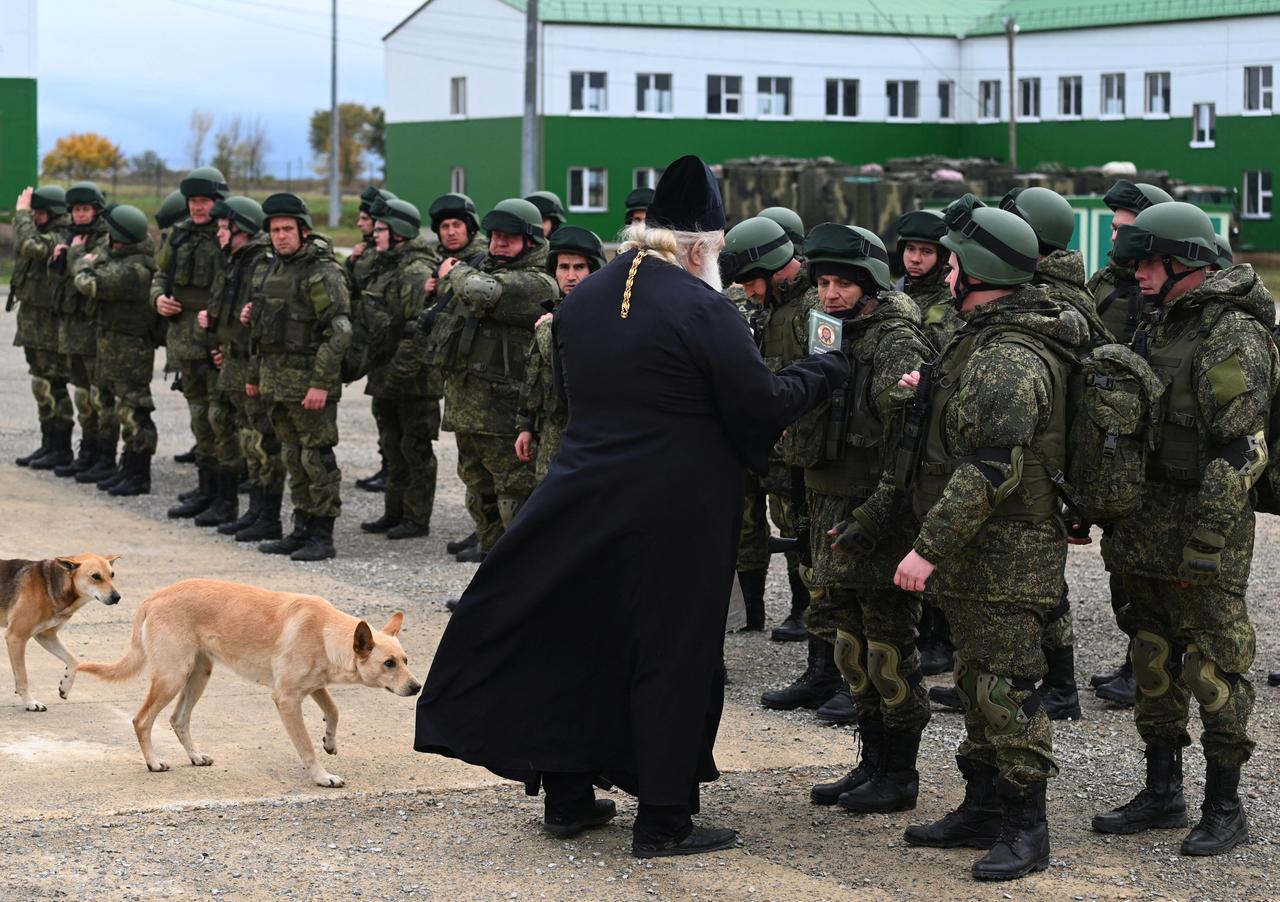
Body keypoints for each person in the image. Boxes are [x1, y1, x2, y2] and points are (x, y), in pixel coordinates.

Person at [414, 154, 847, 857]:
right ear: (703, 245)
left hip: (580, 496)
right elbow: (758, 406)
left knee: (579, 641)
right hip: (674, 514)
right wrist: (822, 368)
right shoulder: (705, 306)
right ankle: (665, 820)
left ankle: (568, 796)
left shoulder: (587, 296)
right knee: (674, 656)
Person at [885, 204, 1086, 881]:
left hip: (1008, 549)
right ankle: (983, 806)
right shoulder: (981, 338)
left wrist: (928, 548)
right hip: (984, 546)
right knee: (976, 678)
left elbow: (992, 467)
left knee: (1005, 686)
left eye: (951, 263)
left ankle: (1028, 828)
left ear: (977, 272)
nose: (942, 273)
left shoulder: (1007, 354)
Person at [1093, 202, 1278, 856]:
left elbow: (1242, 448)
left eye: (1149, 262)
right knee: (1151, 656)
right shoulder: (1154, 324)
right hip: (1143, 526)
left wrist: (1206, 540)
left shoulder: (1231, 334)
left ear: (1187, 263)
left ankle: (1225, 806)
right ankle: (1162, 791)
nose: (1137, 273)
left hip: (1203, 533)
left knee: (1213, 665)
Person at [793, 222, 934, 814]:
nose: (829, 294)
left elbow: (906, 445)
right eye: (823, 282)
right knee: (849, 642)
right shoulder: (829, 331)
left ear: (869, 284)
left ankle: (898, 772)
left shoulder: (896, 339)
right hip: (830, 501)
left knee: (888, 645)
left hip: (876, 514)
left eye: (842, 284)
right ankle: (871, 760)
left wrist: (876, 516)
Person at [1087, 180, 1174, 707]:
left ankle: (1150, 668)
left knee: (1149, 562)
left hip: (1145, 436)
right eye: (1116, 230)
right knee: (1123, 558)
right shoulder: (1107, 281)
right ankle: (1137, 659)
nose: (1117, 240)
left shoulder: (1156, 292)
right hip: (1109, 430)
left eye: (1127, 231)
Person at [431, 198, 556, 563]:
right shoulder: (483, 267)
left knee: (513, 503)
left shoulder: (536, 281)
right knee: (479, 498)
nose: (499, 243)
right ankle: (489, 583)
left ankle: (520, 587)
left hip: (506, 418)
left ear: (530, 241)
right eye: (495, 236)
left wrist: (452, 271)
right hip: (469, 412)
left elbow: (479, 292)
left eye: (509, 237)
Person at [721, 215, 812, 636]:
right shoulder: (762, 309)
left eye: (753, 282)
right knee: (745, 525)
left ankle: (804, 608)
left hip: (796, 446)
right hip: (755, 440)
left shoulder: (811, 308)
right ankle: (751, 609)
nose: (749, 292)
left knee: (796, 523)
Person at [248, 193, 352, 562]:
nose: (281, 236)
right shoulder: (270, 269)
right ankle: (301, 528)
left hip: (309, 385)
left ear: (303, 231)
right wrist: (254, 376)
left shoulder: (321, 272)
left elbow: (338, 331)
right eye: (275, 230)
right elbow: (259, 330)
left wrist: (321, 383)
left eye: (287, 229)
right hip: (277, 384)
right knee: (292, 456)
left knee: (317, 459)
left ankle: (322, 535)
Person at [892, 209, 956, 678]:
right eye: (910, 250)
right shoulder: (898, 296)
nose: (915, 259)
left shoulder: (948, 303)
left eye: (925, 252)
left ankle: (941, 637)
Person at [357, 198, 440, 540]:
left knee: (414, 449)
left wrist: (397, 377)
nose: (375, 234)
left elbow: (418, 331)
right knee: (391, 446)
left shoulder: (415, 270)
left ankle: (416, 518)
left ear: (400, 233)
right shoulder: (386, 264)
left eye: (381, 229)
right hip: (387, 376)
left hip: (413, 382)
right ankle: (395, 512)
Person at [152, 167, 231, 519]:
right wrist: (157, 299)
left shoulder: (228, 235)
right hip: (183, 341)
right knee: (198, 418)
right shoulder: (178, 236)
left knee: (220, 420)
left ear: (217, 202)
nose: (199, 208)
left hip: (215, 344)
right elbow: (158, 274)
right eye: (194, 201)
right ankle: (206, 489)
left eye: (205, 201)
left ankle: (224, 497)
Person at [202, 197, 284, 538]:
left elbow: (260, 320)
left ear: (242, 230)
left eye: (224, 227)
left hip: (253, 364)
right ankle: (247, 508)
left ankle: (267, 516)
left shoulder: (260, 264)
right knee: (240, 432)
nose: (219, 232)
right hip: (233, 360)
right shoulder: (235, 261)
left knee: (262, 439)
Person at [70, 205, 158, 496]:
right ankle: (123, 467)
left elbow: (89, 284)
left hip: (130, 349)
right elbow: (105, 261)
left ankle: (138, 473)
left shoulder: (134, 270)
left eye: (112, 234)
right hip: (113, 345)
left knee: (134, 410)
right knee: (116, 406)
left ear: (122, 238)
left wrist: (81, 261)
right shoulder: (124, 257)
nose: (107, 239)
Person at [421, 192, 488, 559]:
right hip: (457, 375)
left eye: (456, 225)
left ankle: (485, 535)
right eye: (444, 227)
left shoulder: (481, 260)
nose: (449, 232)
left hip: (480, 377)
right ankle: (479, 529)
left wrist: (448, 281)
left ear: (469, 228)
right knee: (470, 464)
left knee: (488, 466)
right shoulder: (444, 262)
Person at [515, 225, 606, 484]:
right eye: (563, 267)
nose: (571, 276)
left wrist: (547, 330)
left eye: (579, 267)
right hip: (550, 430)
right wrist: (525, 426)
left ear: (594, 270)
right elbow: (533, 373)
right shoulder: (553, 312)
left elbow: (569, 363)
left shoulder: (604, 316)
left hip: (586, 432)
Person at [48, 181, 112, 478]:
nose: (80, 215)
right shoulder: (70, 236)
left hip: (92, 327)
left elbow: (89, 276)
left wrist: (73, 255)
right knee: (82, 394)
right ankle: (87, 450)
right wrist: (59, 256)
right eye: (75, 210)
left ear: (96, 210)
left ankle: (103, 454)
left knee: (99, 395)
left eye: (85, 209)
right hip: (71, 327)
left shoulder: (104, 240)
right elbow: (61, 279)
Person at [10, 186, 74, 470]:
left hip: (50, 326)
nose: (35, 217)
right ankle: (48, 443)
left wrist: (21, 216)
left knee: (54, 385)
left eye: (40, 212)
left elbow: (32, 246)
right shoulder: (41, 231)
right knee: (40, 385)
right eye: (33, 212)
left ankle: (61, 448)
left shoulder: (62, 236)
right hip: (33, 323)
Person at [349, 185, 397, 495]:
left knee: (394, 421)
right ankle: (386, 467)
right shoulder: (367, 252)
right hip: (373, 342)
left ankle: (390, 470)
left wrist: (358, 260)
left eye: (366, 219)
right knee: (383, 416)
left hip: (390, 347)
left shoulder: (379, 255)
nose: (361, 224)